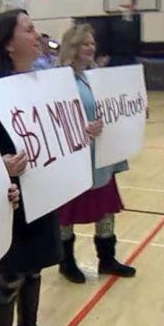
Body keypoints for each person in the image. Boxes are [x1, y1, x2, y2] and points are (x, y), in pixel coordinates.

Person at [0, 9, 64, 326]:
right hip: (9, 198)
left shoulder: (40, 85)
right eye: (28, 29)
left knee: (34, 269)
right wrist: (0, 165)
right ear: (8, 43)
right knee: (9, 277)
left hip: (41, 191)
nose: (37, 35)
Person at [55, 24, 136, 284]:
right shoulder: (60, 79)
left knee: (105, 212)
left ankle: (107, 260)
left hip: (101, 157)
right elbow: (54, 119)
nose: (91, 47)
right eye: (85, 43)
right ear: (73, 47)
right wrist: (82, 129)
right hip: (75, 159)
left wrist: (134, 112)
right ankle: (66, 262)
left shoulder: (95, 76)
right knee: (66, 215)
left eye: (92, 43)